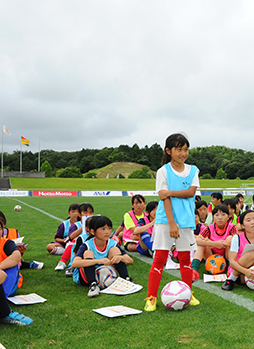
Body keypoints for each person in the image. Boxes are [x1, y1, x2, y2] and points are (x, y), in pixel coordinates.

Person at [144, 133, 200, 312]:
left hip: (186, 222)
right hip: (165, 221)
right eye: (179, 149)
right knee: (159, 259)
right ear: (168, 151)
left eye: (185, 149)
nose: (183, 153)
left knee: (185, 260)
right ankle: (151, 297)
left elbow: (191, 193)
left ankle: (188, 293)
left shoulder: (193, 170)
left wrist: (170, 192)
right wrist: (172, 223)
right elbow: (163, 198)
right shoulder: (163, 171)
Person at [71, 216, 133, 298]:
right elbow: (75, 263)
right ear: (93, 232)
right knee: (88, 253)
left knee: (115, 251)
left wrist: (120, 258)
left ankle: (125, 280)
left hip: (105, 274)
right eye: (103, 229)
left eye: (109, 228)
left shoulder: (112, 243)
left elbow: (130, 260)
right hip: (86, 277)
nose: (107, 232)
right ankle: (93, 285)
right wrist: (98, 261)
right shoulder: (87, 245)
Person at [191, 204, 238, 280]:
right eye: (217, 215)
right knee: (201, 243)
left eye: (223, 215)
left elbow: (236, 240)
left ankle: (231, 268)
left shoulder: (232, 227)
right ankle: (194, 270)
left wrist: (223, 243)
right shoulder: (209, 228)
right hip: (211, 256)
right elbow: (197, 240)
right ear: (213, 217)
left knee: (231, 238)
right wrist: (214, 244)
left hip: (226, 255)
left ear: (228, 216)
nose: (220, 217)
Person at [0, 217, 23, 297]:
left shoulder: (6, 243)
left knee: (13, 265)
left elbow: (16, 256)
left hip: (6, 280)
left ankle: (3, 296)